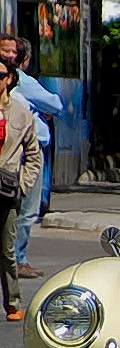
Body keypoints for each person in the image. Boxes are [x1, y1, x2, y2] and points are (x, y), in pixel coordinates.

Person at [0, 35, 61, 280]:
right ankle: (16, 259)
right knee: (24, 210)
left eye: (13, 52)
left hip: (28, 152)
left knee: (25, 208)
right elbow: (54, 105)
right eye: (5, 51)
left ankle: (15, 258)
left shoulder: (20, 82)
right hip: (17, 155)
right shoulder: (22, 82)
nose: (9, 56)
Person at [0, 59, 42, 322]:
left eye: (0, 75)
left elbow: (34, 155)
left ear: (9, 79)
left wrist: (24, 184)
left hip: (6, 190)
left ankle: (13, 303)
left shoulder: (21, 113)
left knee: (7, 250)